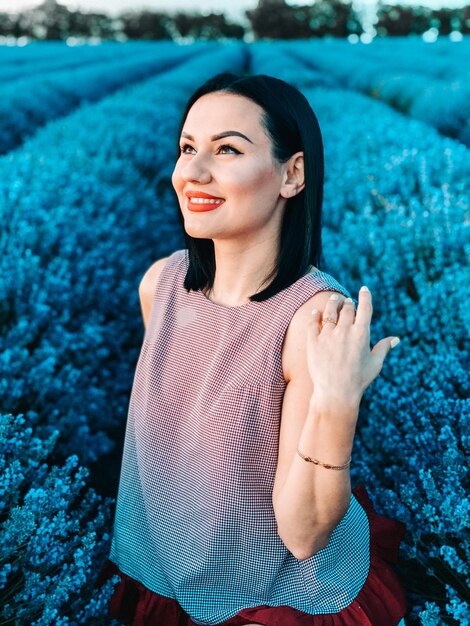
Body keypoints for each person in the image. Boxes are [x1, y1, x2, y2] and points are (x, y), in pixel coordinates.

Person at [95, 73, 407, 626]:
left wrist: (338, 400)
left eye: (227, 150)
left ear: (293, 174)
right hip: (171, 566)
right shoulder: (160, 283)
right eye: (187, 148)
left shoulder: (314, 318)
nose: (191, 172)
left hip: (269, 595)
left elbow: (304, 535)